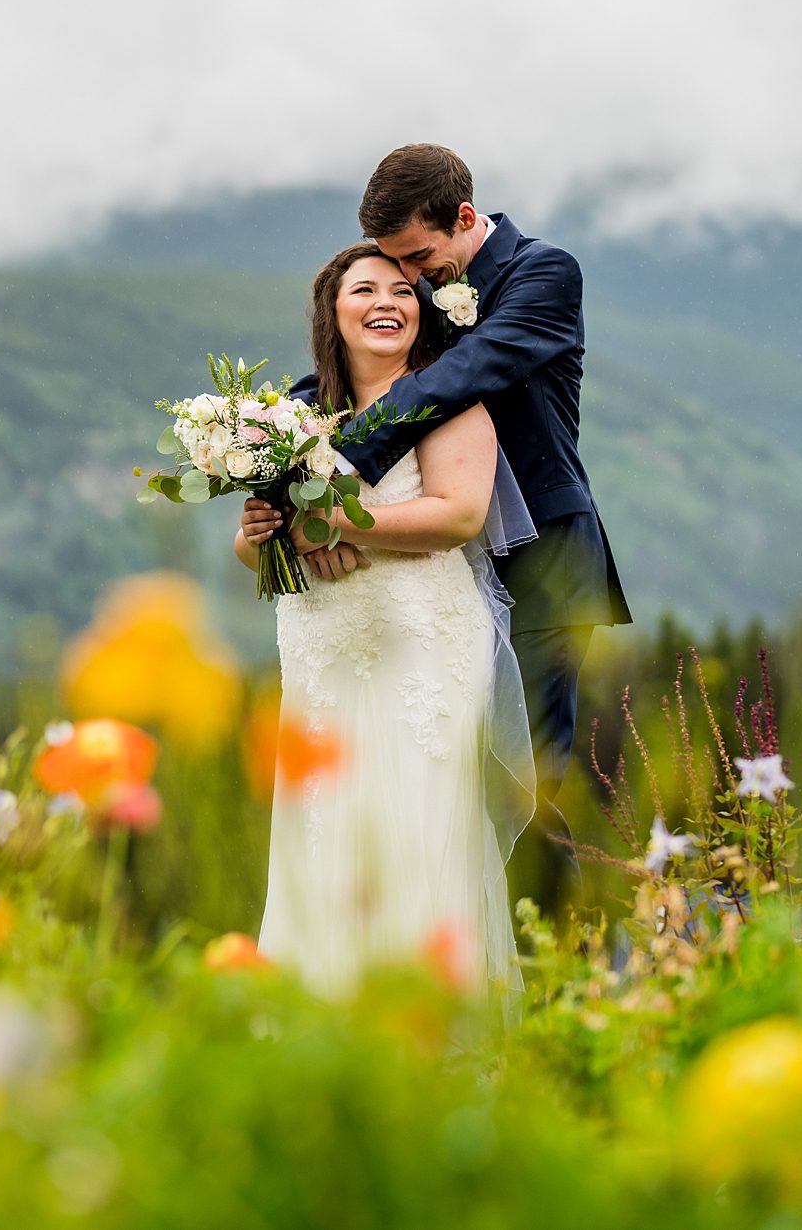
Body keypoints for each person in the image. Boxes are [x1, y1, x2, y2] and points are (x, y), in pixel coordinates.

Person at [285, 144, 631, 905]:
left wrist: (341, 465)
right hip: (439, 577)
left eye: (416, 258)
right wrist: (275, 446)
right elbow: (369, 365)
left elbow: (460, 374)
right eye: (390, 264)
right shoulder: (421, 283)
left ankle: (555, 980)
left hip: (540, 559)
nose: (407, 279)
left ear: (466, 219)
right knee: (433, 779)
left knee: (527, 784)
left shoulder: (544, 273)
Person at [238, 243, 530, 994]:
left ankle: (428, 1029)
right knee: (323, 829)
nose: (386, 302)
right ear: (331, 314)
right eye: (363, 289)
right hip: (321, 652)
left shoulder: (446, 398)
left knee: (415, 828)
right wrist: (268, 529)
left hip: (422, 646)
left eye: (403, 290)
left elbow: (459, 514)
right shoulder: (297, 418)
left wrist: (336, 523)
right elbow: (251, 548)